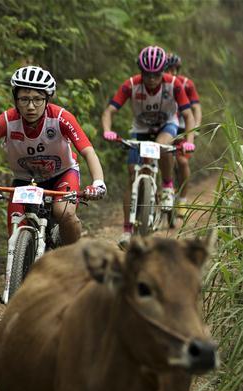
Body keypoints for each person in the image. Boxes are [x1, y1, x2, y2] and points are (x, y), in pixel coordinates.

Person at [0, 65, 106, 246]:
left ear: (47, 99)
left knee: (65, 213)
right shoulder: (7, 120)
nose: (31, 106)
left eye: (38, 99)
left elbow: (87, 151)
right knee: (14, 230)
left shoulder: (61, 118)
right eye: (24, 99)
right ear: (15, 99)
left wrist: (98, 182)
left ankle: (73, 257)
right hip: (24, 181)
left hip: (62, 175)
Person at [101, 46, 195, 243]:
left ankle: (168, 186)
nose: (152, 79)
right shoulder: (130, 85)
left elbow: (188, 114)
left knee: (161, 147)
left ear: (163, 71)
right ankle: (127, 231)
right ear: (140, 72)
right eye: (147, 74)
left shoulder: (174, 84)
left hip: (167, 125)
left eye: (156, 74)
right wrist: (107, 130)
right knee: (131, 175)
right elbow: (109, 111)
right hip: (140, 130)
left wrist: (189, 141)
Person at [164, 52, 201, 204]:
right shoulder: (161, 84)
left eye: (174, 69)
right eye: (168, 69)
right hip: (165, 126)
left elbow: (196, 108)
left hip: (183, 127)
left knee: (183, 162)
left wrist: (196, 128)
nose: (171, 73)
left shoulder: (186, 84)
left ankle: (183, 199)